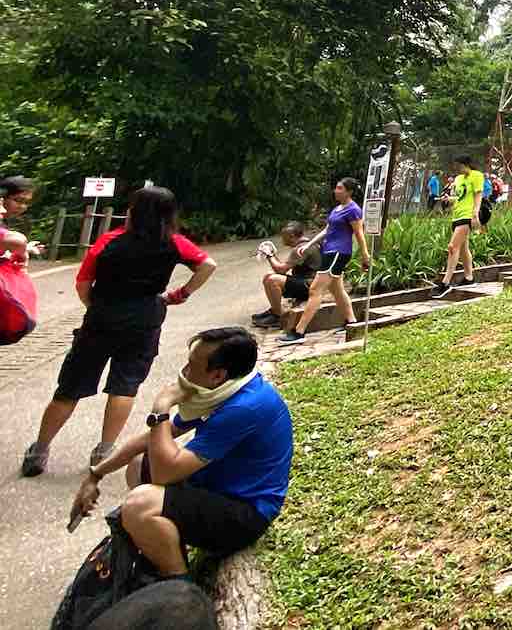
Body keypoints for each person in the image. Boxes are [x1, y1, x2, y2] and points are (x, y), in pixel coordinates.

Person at [69, 327, 293, 581]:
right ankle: (166, 545)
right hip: (216, 488)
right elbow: (151, 439)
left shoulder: (243, 408)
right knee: (138, 464)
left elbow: (164, 474)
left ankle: (178, 584)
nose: (184, 372)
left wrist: (161, 407)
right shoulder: (228, 389)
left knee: (139, 505)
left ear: (217, 375)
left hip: (246, 513)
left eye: (191, 365)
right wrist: (96, 474)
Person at [23, 186, 217, 477]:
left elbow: (83, 284)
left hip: (102, 319)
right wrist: (181, 293)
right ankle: (104, 451)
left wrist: (95, 306)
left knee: (70, 388)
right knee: (124, 386)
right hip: (145, 318)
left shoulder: (109, 241)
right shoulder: (174, 242)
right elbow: (207, 264)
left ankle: (39, 451)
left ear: (133, 212)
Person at [275, 179, 370, 346]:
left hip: (338, 253)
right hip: (329, 252)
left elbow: (359, 233)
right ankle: (352, 323)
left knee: (315, 290)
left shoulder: (353, 210)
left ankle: (299, 332)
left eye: (340, 188)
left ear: (349, 192)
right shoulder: (337, 209)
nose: (336, 191)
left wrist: (365, 255)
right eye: (336, 188)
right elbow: (327, 230)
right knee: (337, 290)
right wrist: (308, 245)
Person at [251, 222, 318, 329]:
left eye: (283, 237)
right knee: (269, 276)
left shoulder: (301, 249)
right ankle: (275, 310)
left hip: (310, 286)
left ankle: (278, 317)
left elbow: (280, 269)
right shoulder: (306, 244)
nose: (282, 240)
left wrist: (269, 255)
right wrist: (273, 255)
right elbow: (283, 268)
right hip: (307, 282)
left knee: (272, 280)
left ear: (291, 236)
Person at [433, 155, 482, 298]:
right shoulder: (458, 179)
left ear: (466, 164)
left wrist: (475, 214)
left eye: (459, 166)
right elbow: (460, 197)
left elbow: (478, 196)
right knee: (463, 249)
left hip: (467, 216)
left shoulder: (476, 176)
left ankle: (446, 283)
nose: (458, 168)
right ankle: (469, 278)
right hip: (457, 215)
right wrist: (449, 199)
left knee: (452, 247)